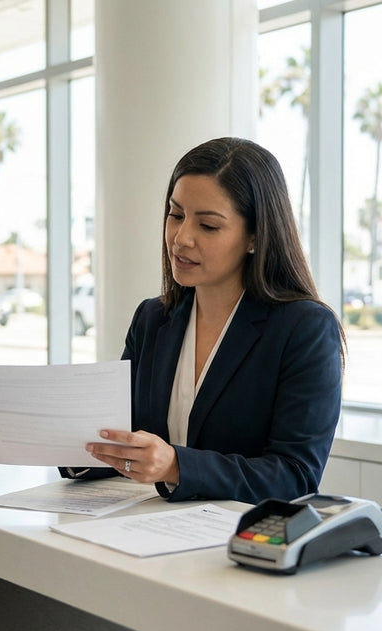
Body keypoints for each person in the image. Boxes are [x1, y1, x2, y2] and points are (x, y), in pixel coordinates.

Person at [71, 137, 345, 504]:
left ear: (254, 236)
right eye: (176, 215)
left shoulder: (305, 328)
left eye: (209, 226)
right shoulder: (153, 318)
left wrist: (176, 466)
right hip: (146, 533)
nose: (181, 239)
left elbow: (296, 476)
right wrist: (72, 445)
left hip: (237, 542)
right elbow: (127, 442)